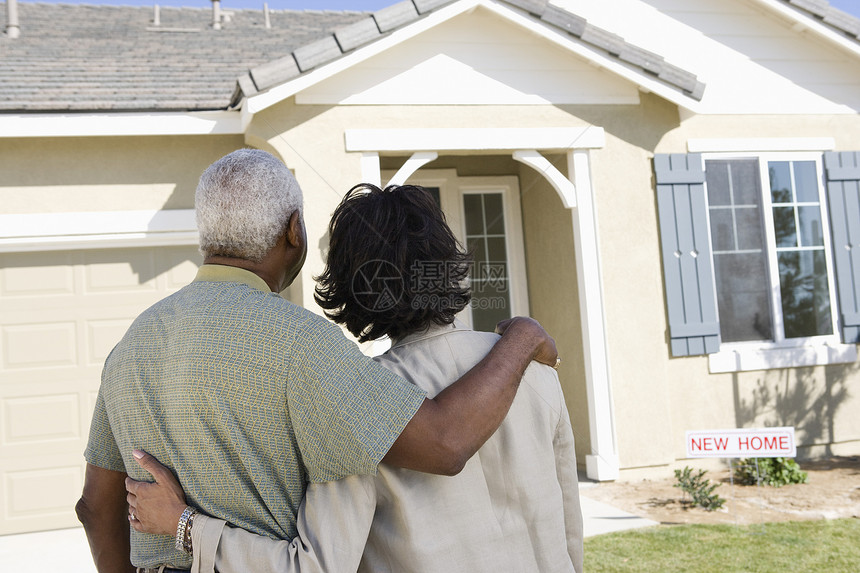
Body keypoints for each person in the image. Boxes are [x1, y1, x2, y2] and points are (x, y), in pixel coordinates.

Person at [76, 151, 558, 573]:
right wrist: (521, 336)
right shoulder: (302, 343)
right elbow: (446, 442)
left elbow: (96, 508)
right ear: (294, 230)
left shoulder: (129, 347)